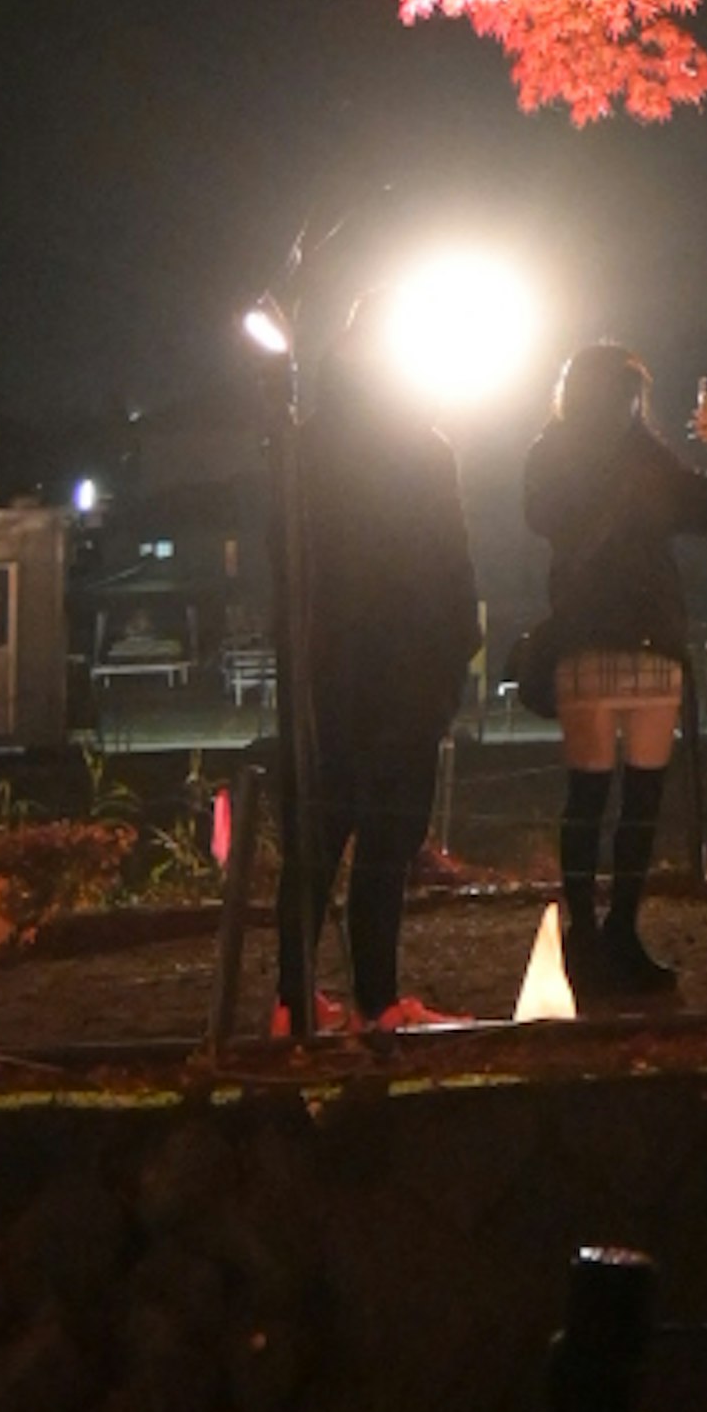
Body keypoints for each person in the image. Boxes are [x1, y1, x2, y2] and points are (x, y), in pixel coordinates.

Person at [517, 346, 707, 995]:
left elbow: (538, 518)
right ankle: (615, 931)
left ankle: (591, 934)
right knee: (636, 799)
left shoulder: (555, 450)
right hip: (646, 636)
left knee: (591, 797)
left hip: (592, 637)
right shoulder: (638, 455)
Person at [293, 303, 483, 1036]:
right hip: (408, 669)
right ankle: (378, 1002)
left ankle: (293, 1000)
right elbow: (450, 569)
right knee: (386, 841)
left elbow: (291, 565)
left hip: (331, 671)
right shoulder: (423, 449)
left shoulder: (304, 451)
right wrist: (450, 660)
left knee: (319, 839)